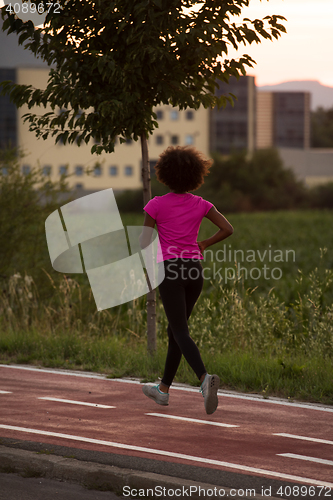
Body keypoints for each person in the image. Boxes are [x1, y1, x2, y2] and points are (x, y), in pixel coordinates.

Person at [139, 146, 233, 415]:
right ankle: (163, 391)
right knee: (175, 333)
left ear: (165, 174)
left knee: (179, 331)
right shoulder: (201, 203)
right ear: (195, 174)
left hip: (170, 272)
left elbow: (144, 242)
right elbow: (228, 228)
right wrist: (204, 243)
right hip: (194, 271)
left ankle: (204, 380)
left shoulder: (155, 204)